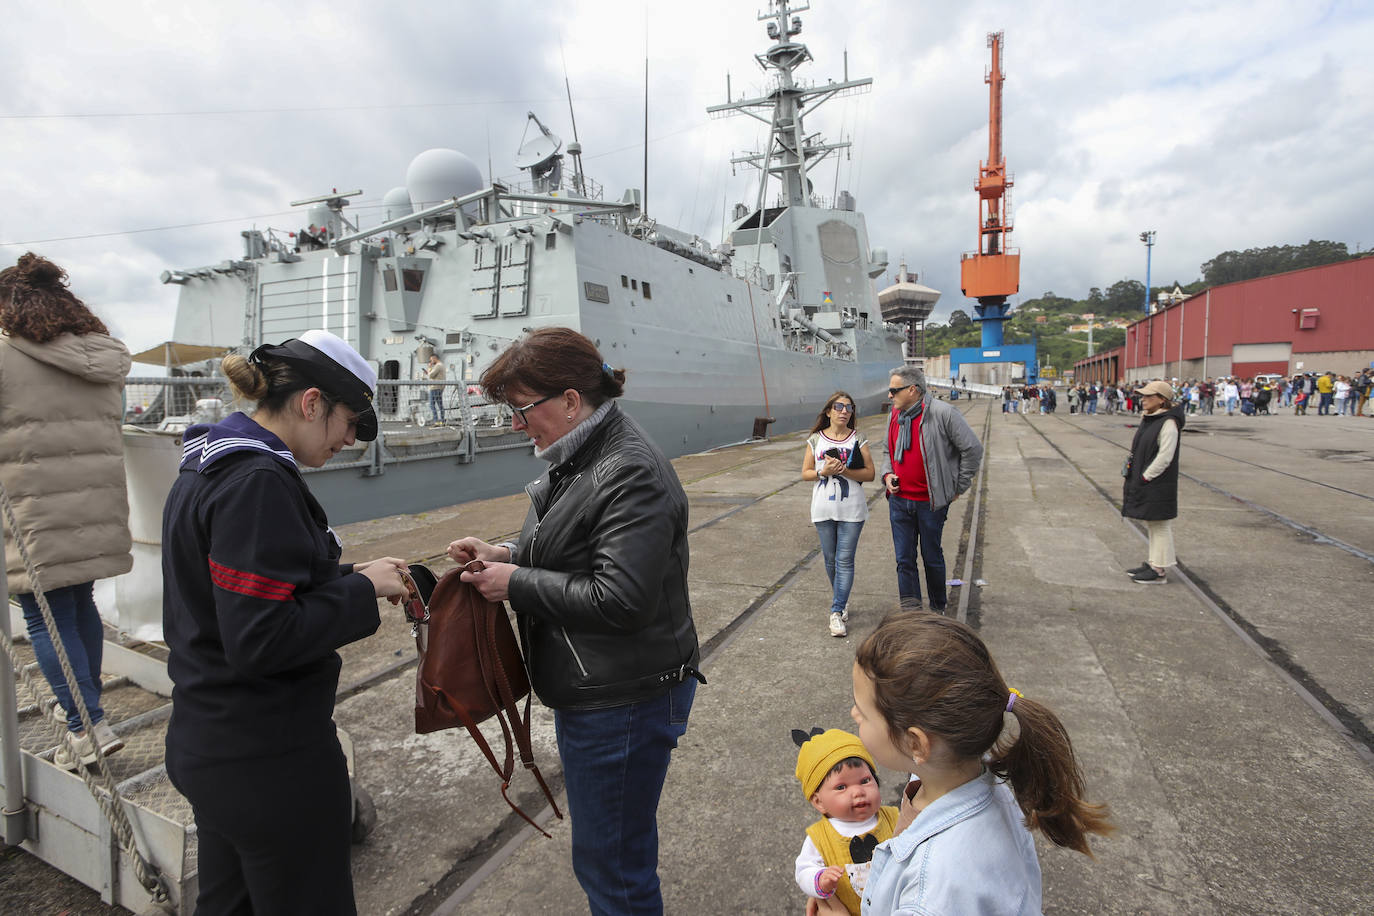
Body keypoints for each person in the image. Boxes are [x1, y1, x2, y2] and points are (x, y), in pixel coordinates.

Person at [446, 327, 703, 916]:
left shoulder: (627, 469)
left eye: (523, 409)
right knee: (610, 854)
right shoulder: (586, 453)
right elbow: (577, 543)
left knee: (612, 865)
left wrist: (513, 584)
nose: (517, 424)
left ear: (568, 400)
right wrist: (509, 553)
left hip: (623, 701)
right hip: (607, 687)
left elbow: (621, 598)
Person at [161, 329, 411, 914]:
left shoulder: (209, 464)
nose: (351, 440)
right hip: (270, 760)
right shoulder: (258, 483)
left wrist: (354, 571)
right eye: (350, 421)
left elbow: (247, 589)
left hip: (212, 740)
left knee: (230, 903)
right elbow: (262, 639)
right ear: (311, 403)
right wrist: (361, 591)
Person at [852, 613, 1113, 914]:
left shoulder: (931, 896)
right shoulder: (972, 770)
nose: (854, 714)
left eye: (863, 711)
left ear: (915, 744)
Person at [0, 252, 131, 770]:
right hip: (95, 503)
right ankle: (88, 716)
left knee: (42, 614)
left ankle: (85, 726)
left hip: (33, 508)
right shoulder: (101, 356)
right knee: (79, 605)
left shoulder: (7, 356)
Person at [882, 366, 983, 614]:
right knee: (904, 560)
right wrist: (887, 474)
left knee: (931, 557)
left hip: (930, 503)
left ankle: (938, 609)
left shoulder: (943, 413)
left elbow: (972, 449)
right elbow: (888, 451)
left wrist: (958, 486)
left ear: (912, 390)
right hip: (899, 501)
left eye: (894, 390)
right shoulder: (895, 415)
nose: (889, 395)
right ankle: (912, 613)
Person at [793, 729, 900, 915]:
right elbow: (803, 871)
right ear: (819, 802)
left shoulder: (896, 817)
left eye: (865, 780)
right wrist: (819, 880)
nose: (858, 791)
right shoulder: (819, 838)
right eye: (841, 787)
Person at [803, 392, 876, 637]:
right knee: (830, 559)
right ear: (828, 411)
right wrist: (823, 471)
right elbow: (805, 473)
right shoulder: (815, 439)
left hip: (852, 509)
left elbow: (869, 474)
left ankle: (836, 612)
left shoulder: (859, 438)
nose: (844, 411)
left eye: (849, 407)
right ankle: (842, 601)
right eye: (839, 406)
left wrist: (844, 470)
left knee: (845, 560)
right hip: (823, 508)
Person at [1122, 380, 1185, 584]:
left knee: (1159, 524)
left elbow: (1165, 456)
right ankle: (1154, 562)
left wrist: (1146, 476)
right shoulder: (1151, 418)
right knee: (1153, 522)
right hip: (1148, 478)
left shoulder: (1168, 423)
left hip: (1157, 481)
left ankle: (1158, 571)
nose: (1144, 400)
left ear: (1162, 400)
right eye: (1143, 396)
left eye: (1149, 396)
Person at [424, 352, 446, 423]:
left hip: (435, 388)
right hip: (440, 387)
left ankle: (436, 420)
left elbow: (431, 375)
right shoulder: (442, 365)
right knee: (440, 405)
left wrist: (430, 367)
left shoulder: (438, 366)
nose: (431, 362)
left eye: (431, 360)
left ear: (434, 358)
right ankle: (442, 421)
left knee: (432, 405)